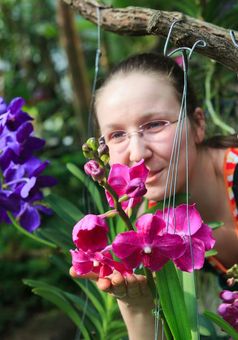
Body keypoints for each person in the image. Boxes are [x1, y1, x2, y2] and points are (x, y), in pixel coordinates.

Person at [70, 53, 238, 339]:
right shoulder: (145, 221)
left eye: (155, 124)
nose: (137, 153)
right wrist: (135, 303)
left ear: (198, 125)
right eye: (117, 135)